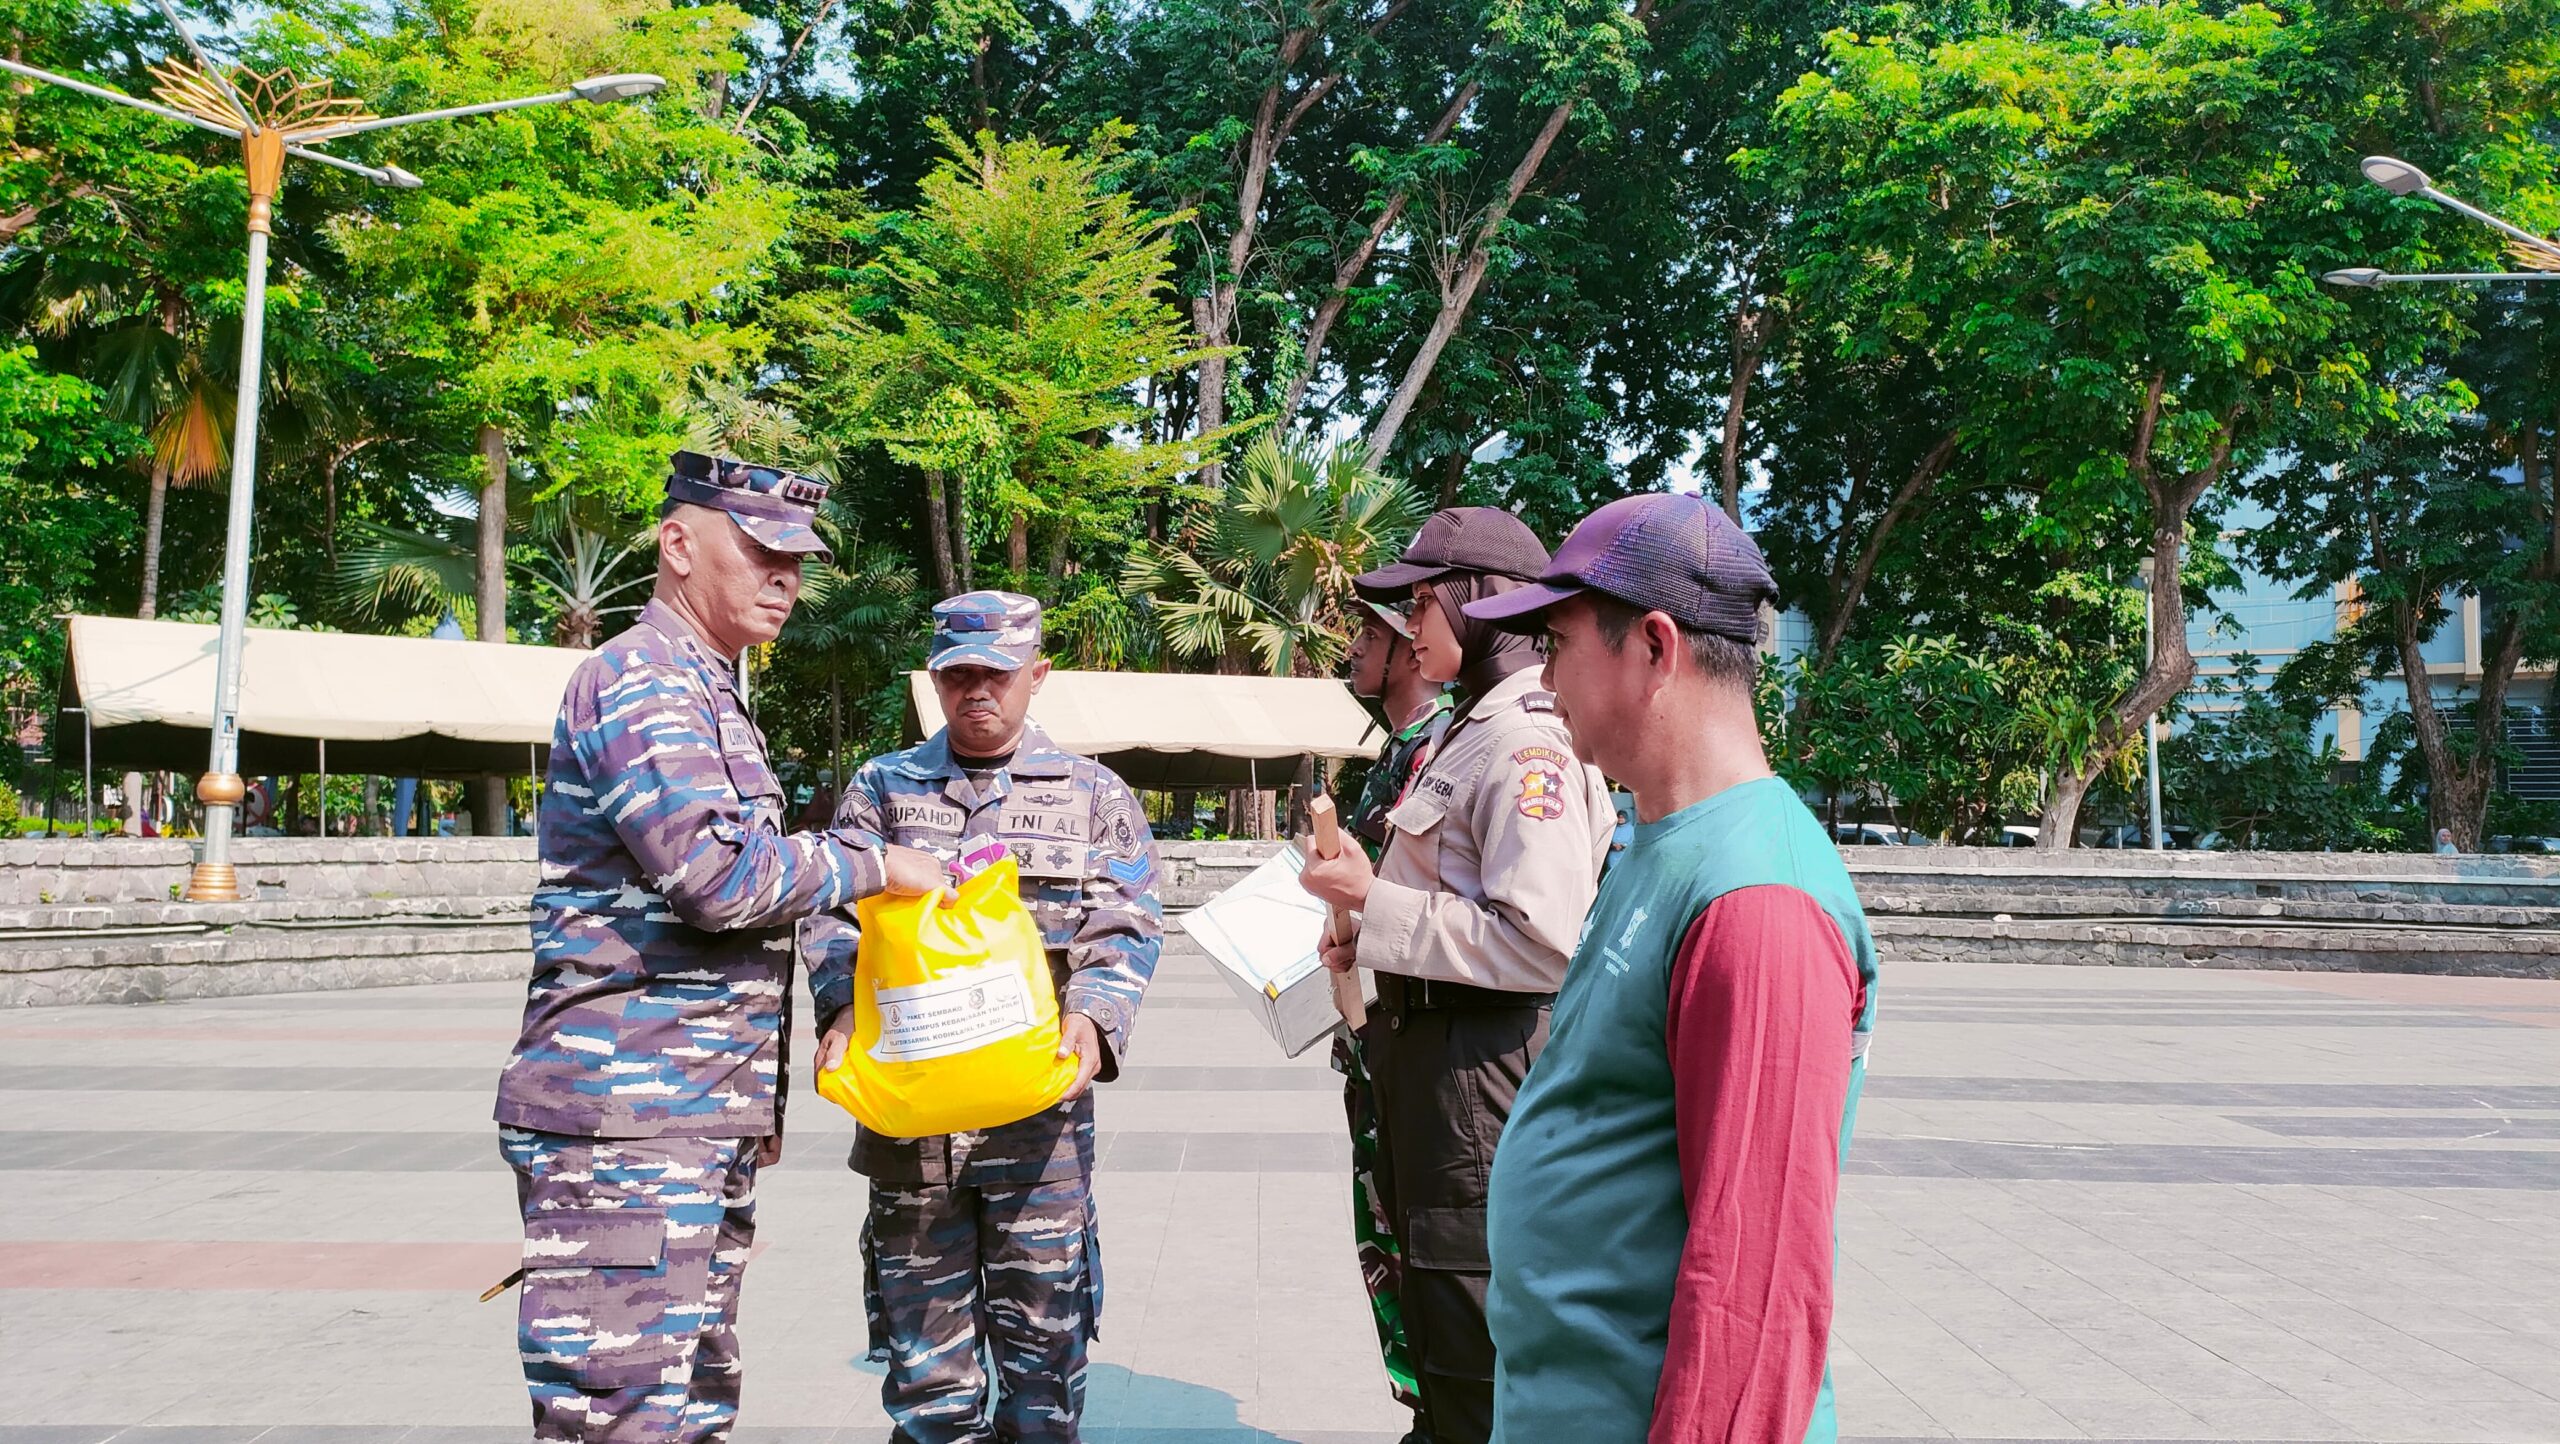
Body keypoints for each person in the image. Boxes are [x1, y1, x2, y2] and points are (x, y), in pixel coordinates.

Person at [491, 450, 945, 1444]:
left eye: (797, 562)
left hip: (684, 1112)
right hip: (625, 1119)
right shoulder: (642, 681)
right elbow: (715, 879)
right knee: (617, 1415)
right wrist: (873, 866)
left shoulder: (703, 685)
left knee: (686, 1404)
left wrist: (753, 1101)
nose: (785, 581)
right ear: (679, 544)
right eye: (762, 553)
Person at [1462, 492, 1879, 1444]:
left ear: (1654, 647)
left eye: (1556, 644)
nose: (1540, 677)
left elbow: (1757, 1290)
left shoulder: (1757, 898)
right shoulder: (1660, 841)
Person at [805, 590, 1163, 1444]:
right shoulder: (882, 787)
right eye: (957, 674)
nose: (977, 692)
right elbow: (830, 916)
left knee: (1043, 1382)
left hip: (1037, 1135)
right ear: (933, 679)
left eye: (995, 675)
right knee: (929, 1383)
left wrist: (1097, 1017)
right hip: (912, 1139)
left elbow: (1128, 918)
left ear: (1036, 676)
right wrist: (837, 1008)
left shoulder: (1091, 793)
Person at [1298, 507, 1614, 1444]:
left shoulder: (1526, 745)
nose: (1410, 622)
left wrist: (1378, 905)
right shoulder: (1470, 733)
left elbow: (1542, 940)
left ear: (1477, 602)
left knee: (1474, 1335)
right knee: (1435, 1318)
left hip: (1481, 1067)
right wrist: (1373, 937)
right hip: (1431, 1059)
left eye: (1422, 600)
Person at [1335, 596, 1453, 1435]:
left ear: (1412, 649)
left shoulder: (1440, 746)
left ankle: (1437, 1410)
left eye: (1367, 634)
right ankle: (1424, 1406)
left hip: (1410, 1039)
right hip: (1374, 1034)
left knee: (1414, 1236)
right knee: (1385, 1231)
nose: (1351, 648)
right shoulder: (1395, 753)